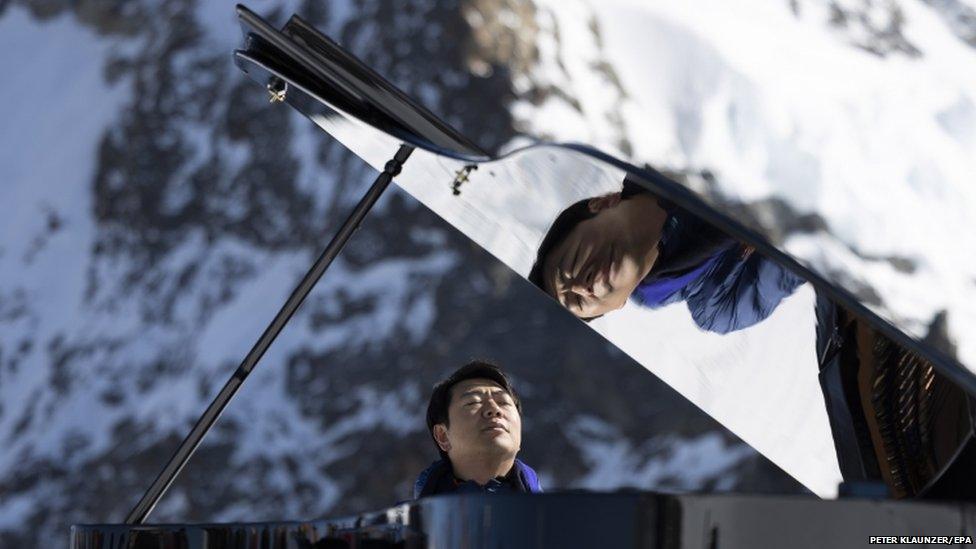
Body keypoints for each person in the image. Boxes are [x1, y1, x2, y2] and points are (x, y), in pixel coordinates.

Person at [528, 171, 804, 333]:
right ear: (619, 304)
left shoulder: (649, 142)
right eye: (580, 302)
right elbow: (808, 246)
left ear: (601, 204)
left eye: (572, 265)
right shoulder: (720, 303)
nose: (582, 286)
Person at [414, 361, 543, 498]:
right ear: (443, 436)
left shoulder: (554, 516)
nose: (494, 409)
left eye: (503, 402)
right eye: (473, 402)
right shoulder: (408, 518)